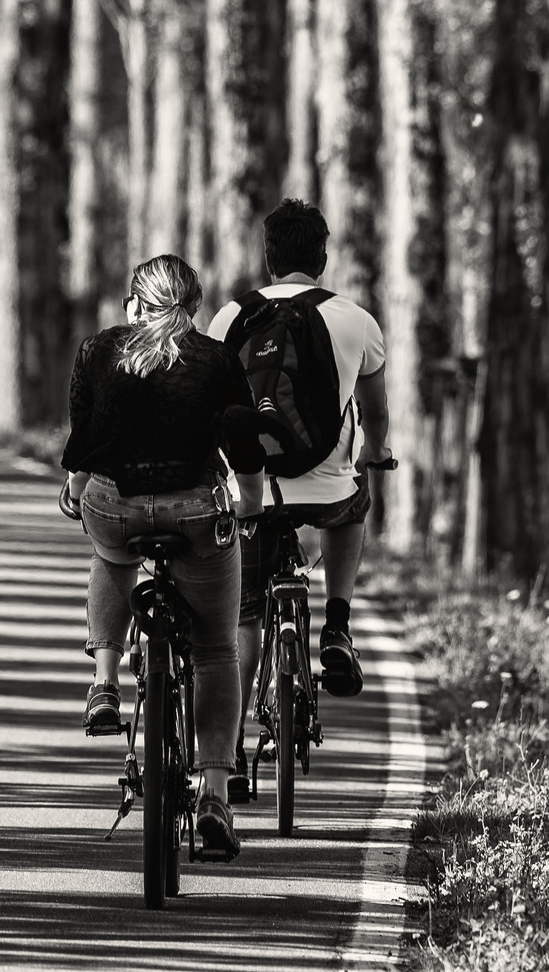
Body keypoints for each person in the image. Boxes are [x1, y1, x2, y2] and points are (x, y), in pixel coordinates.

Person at [61, 254, 266, 859]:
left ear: (134, 303)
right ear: (194, 305)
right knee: (214, 649)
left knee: (111, 556)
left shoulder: (99, 349)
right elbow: (241, 438)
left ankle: (102, 683)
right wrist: (248, 504)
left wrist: (78, 491)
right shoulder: (217, 358)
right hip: (196, 513)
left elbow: (85, 437)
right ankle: (214, 793)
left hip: (116, 507)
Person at [207, 198, 391, 794]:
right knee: (352, 507)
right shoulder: (356, 320)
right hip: (325, 488)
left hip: (251, 491)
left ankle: (228, 754)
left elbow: (213, 411)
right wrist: (371, 451)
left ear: (268, 256)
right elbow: (377, 414)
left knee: (245, 618)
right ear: (323, 255)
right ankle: (337, 625)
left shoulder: (229, 318)